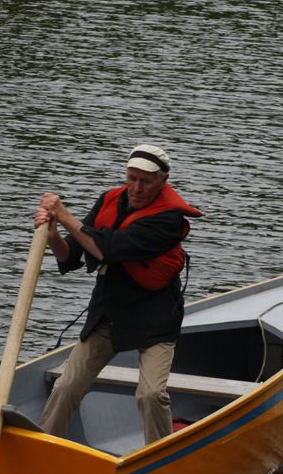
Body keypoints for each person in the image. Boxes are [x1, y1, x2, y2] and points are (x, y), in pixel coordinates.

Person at [35, 144, 203, 445]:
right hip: (109, 312)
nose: (136, 188)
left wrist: (63, 214)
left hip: (154, 319)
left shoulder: (168, 221)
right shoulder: (110, 200)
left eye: (145, 181)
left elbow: (109, 249)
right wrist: (53, 236)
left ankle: (160, 457)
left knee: (151, 394)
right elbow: (72, 255)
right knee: (66, 386)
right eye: (132, 178)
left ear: (163, 180)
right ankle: (44, 447)